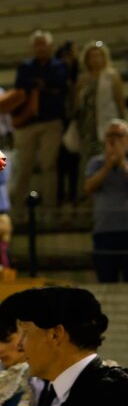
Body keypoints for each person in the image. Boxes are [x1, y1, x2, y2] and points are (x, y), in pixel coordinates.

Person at [10, 30, 68, 214]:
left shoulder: (59, 65)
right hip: (28, 123)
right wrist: (45, 85)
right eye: (37, 44)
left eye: (43, 43)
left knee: (48, 165)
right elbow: (21, 84)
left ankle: (49, 209)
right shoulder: (25, 66)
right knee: (24, 166)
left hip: (51, 121)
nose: (40, 47)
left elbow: (59, 82)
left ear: (50, 46)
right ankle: (18, 210)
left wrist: (38, 83)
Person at [73, 40, 126, 178]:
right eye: (92, 56)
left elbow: (119, 101)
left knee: (106, 156)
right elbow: (77, 105)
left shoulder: (112, 76)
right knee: (88, 160)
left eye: (98, 55)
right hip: (88, 128)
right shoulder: (83, 79)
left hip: (107, 124)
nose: (95, 59)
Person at [85, 117, 128, 282]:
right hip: (104, 231)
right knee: (106, 281)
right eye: (110, 135)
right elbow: (88, 188)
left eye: (119, 135)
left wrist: (122, 162)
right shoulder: (95, 163)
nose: (113, 139)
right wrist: (109, 165)